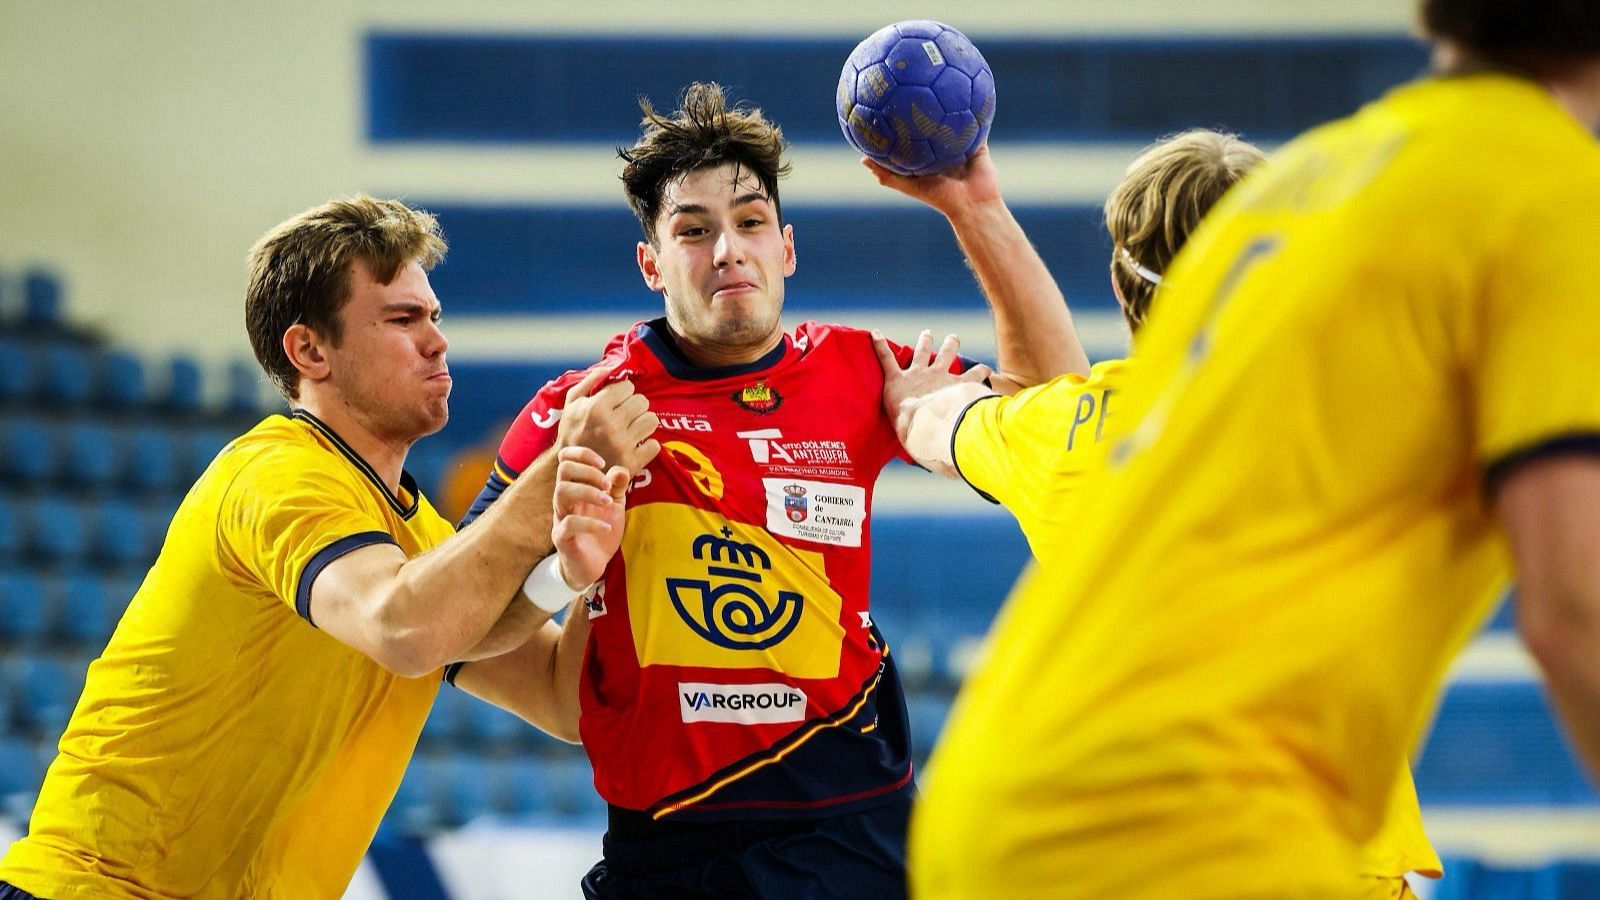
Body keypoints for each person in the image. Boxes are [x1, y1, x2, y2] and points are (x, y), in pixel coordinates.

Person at [906, 0, 1600, 896]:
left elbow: (983, 416)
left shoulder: (1312, 185)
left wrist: (934, 376)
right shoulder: (1544, 197)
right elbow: (1573, 611)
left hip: (997, 812)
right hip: (1227, 826)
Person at [446, 82, 1074, 899]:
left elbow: (1059, 414)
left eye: (750, 223)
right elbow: (453, 627)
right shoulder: (585, 410)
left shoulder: (860, 372)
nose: (728, 250)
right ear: (651, 264)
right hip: (670, 850)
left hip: (859, 830)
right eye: (693, 230)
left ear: (786, 248)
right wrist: (563, 589)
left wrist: (975, 209)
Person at [0, 196, 654, 899]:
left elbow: (564, 699)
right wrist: (553, 476)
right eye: (402, 320)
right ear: (310, 351)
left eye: (434, 317)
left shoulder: (418, 540)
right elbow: (403, 626)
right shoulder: (276, 474)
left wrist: (584, 567)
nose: (437, 341)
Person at [873, 129, 1441, 898]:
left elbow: (948, 420)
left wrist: (923, 391)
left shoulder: (1066, 438)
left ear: (1120, 284)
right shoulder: (1362, 417)